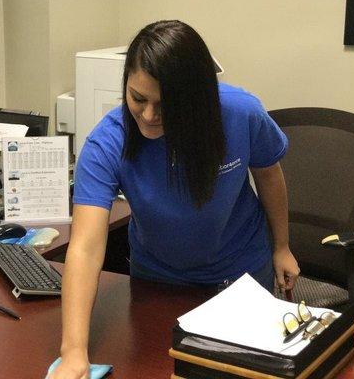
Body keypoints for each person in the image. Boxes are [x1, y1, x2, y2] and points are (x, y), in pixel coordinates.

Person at [50, 20, 299, 379]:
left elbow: (269, 175)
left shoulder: (240, 113)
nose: (149, 116)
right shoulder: (108, 141)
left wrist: (282, 246)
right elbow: (86, 247)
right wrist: (73, 352)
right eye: (138, 98)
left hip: (239, 273)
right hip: (157, 279)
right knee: (155, 367)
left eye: (165, 106)